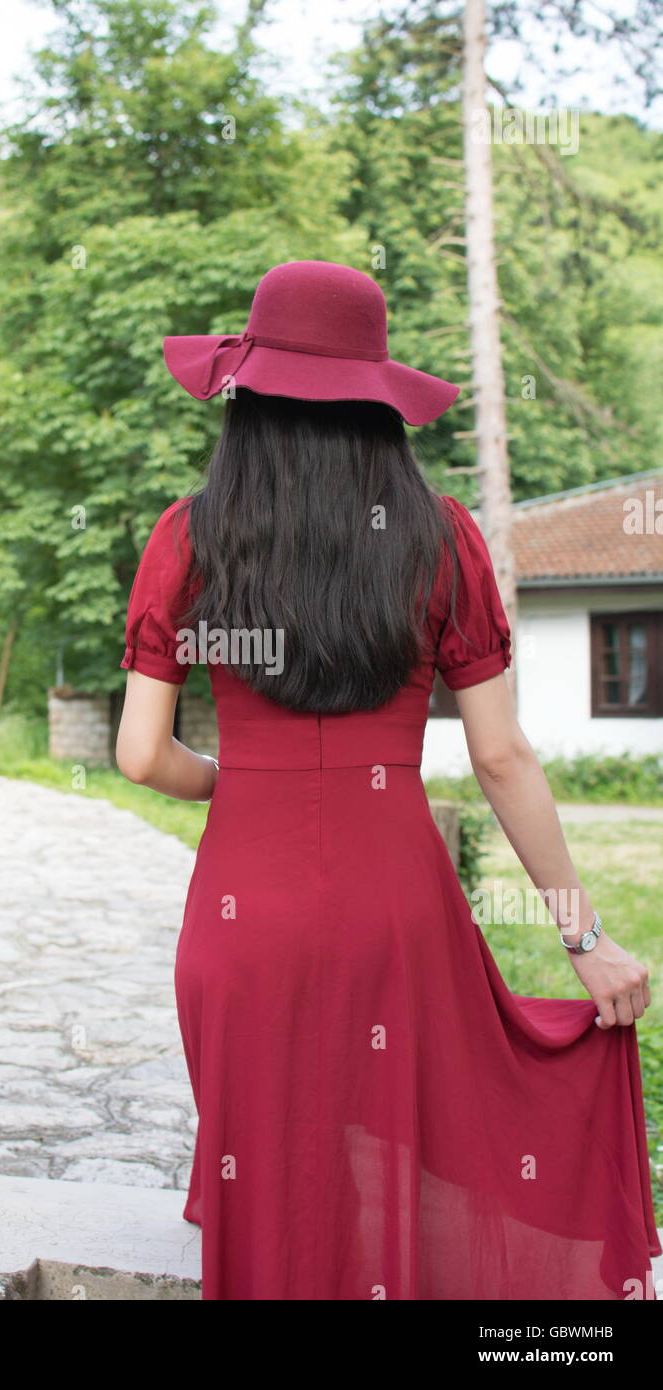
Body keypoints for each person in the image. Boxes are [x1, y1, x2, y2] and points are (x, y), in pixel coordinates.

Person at [115, 260, 659, 1301]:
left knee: (272, 1185)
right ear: (378, 402)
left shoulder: (188, 537)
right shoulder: (436, 537)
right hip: (394, 913)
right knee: (390, 1172)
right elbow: (499, 755)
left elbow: (141, 756)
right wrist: (581, 938)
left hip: (242, 919)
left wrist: (237, 781)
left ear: (245, 395)